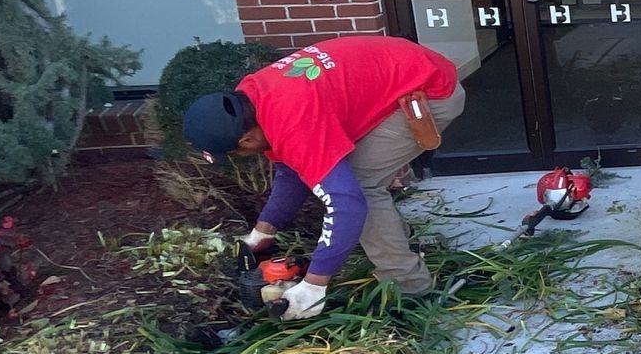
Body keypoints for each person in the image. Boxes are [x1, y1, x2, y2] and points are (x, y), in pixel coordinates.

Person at [181, 35, 466, 320]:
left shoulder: (292, 122)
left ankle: (411, 289)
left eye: (236, 153)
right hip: (406, 73)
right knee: (349, 182)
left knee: (360, 187)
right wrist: (263, 231)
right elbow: (292, 169)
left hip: (428, 91)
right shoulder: (253, 100)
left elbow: (347, 204)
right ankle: (402, 244)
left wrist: (314, 286)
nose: (242, 157)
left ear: (246, 140)